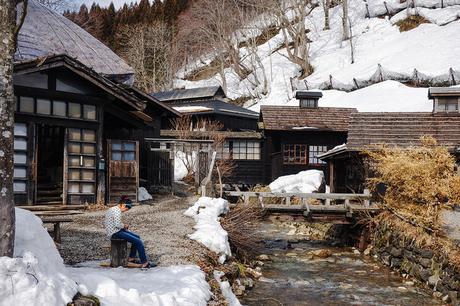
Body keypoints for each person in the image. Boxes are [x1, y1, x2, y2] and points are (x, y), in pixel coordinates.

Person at [104, 196, 150, 268]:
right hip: (115, 233)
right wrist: (124, 226)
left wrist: (123, 226)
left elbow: (116, 224)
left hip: (115, 230)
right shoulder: (117, 211)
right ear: (123, 205)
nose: (125, 211)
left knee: (137, 237)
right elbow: (117, 224)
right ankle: (144, 262)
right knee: (138, 242)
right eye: (126, 209)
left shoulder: (113, 209)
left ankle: (131, 258)